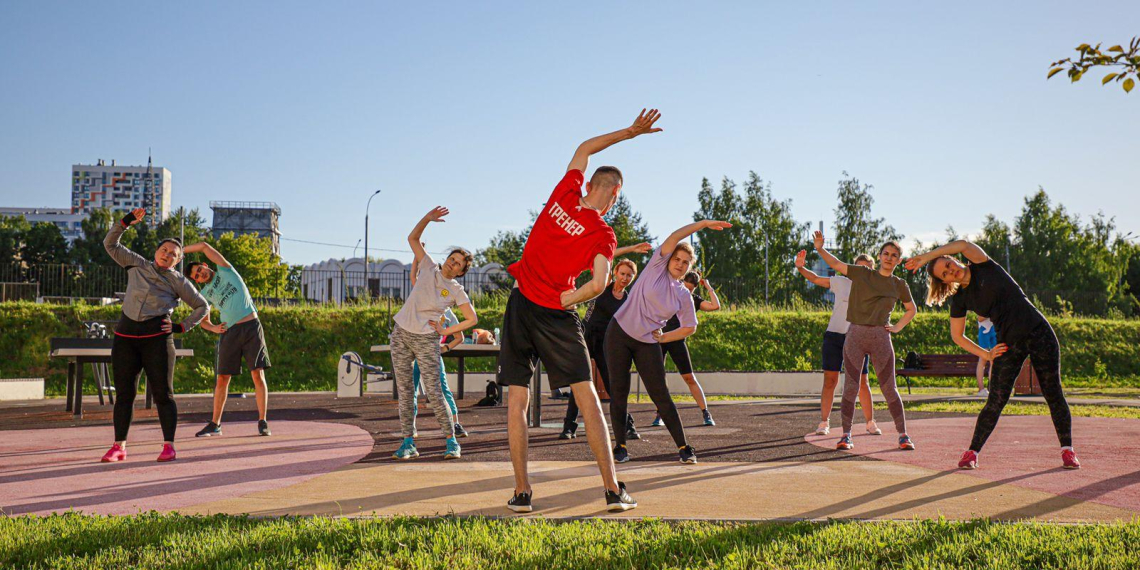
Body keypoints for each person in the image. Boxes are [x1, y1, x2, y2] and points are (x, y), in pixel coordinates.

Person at [497, 108, 662, 513]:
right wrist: (565, 300)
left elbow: (585, 147)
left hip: (519, 304)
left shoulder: (565, 193)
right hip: (552, 312)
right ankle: (611, 491)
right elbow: (600, 283)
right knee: (587, 397)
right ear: (616, 193)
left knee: (517, 399)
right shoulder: (603, 233)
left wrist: (628, 132)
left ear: (590, 183)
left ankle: (522, 494)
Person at [906, 240, 1079, 470]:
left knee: (1053, 393)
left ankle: (1067, 450)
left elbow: (963, 244)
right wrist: (986, 354)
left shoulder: (982, 264)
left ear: (954, 258)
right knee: (996, 400)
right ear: (945, 281)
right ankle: (972, 453)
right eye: (945, 274)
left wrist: (927, 256)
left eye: (948, 264)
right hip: (1008, 345)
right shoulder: (960, 299)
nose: (951, 270)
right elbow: (957, 336)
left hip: (1039, 332)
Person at [608, 219, 732, 464]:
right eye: (677, 259)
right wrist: (704, 224)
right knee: (619, 392)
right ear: (669, 258)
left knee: (661, 395)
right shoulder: (656, 266)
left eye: (685, 262)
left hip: (647, 341)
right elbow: (676, 235)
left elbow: (690, 327)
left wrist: (664, 337)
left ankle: (684, 448)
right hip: (619, 333)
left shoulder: (684, 295)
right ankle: (620, 447)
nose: (680, 264)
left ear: (689, 268)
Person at [100, 208, 209, 463]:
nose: (168, 255)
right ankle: (119, 446)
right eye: (165, 250)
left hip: (157, 339)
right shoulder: (136, 263)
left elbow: (203, 306)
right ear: (156, 252)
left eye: (174, 254)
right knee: (124, 394)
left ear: (177, 261)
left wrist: (182, 327)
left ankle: (168, 445)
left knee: (163, 393)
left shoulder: (179, 281)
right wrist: (126, 222)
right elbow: (110, 243)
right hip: (126, 337)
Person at [813, 230, 917, 451]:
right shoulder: (862, 274)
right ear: (879, 256)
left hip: (881, 337)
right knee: (851, 387)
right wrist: (820, 249)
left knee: (890, 388)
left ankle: (903, 435)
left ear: (898, 260)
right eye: (886, 253)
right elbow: (837, 264)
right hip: (856, 335)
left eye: (894, 255)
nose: (889, 257)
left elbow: (911, 309)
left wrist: (897, 326)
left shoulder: (899, 285)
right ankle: (846, 435)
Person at [390, 206, 479, 461]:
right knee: (406, 391)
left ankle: (452, 442)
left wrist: (446, 331)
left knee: (434, 392)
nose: (453, 263)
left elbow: (472, 318)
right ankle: (408, 442)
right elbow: (413, 239)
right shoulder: (428, 266)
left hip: (426, 339)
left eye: (459, 264)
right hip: (401, 334)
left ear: (462, 271)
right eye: (453, 258)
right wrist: (427, 219)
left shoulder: (456, 289)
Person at [559, 248, 651, 441]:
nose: (625, 278)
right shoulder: (604, 285)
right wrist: (633, 249)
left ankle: (628, 425)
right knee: (580, 382)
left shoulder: (628, 300)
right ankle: (569, 427)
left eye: (630, 276)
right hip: (585, 337)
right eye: (623, 273)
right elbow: (608, 255)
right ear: (615, 272)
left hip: (606, 342)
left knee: (613, 385)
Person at [184, 242, 273, 439]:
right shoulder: (204, 295)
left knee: (257, 375)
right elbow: (202, 321)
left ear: (206, 265)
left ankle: (262, 422)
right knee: (223, 379)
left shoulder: (225, 270)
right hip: (230, 333)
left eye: (200, 270)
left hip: (251, 327)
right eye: (197, 276)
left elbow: (204, 246)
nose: (201, 275)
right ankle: (215, 424)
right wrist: (214, 328)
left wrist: (179, 250)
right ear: (197, 281)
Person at [794, 250, 880, 436]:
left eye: (868, 269)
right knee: (830, 381)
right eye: (860, 268)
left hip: (858, 339)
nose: (863, 272)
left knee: (862, 382)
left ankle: (870, 422)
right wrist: (800, 267)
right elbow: (816, 279)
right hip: (834, 337)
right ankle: (824, 423)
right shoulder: (841, 282)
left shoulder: (875, 290)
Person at [652, 270, 721, 429]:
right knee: (659, 379)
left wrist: (708, 287)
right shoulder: (669, 293)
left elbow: (715, 306)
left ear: (695, 289)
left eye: (691, 289)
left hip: (677, 340)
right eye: (686, 287)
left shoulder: (693, 299)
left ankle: (706, 413)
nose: (687, 291)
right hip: (660, 339)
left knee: (689, 377)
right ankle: (660, 414)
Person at [412, 308, 466, 437]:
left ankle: (455, 424)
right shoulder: (419, 306)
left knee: (443, 387)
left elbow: (460, 337)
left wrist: (445, 348)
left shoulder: (447, 313)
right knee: (411, 390)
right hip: (413, 355)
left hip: (433, 354)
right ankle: (411, 426)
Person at [975, 318, 995, 397]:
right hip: (984, 330)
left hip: (994, 330)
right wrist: (992, 313)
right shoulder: (982, 305)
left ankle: (992, 388)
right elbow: (980, 318)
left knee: (994, 361)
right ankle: (981, 389)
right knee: (983, 359)